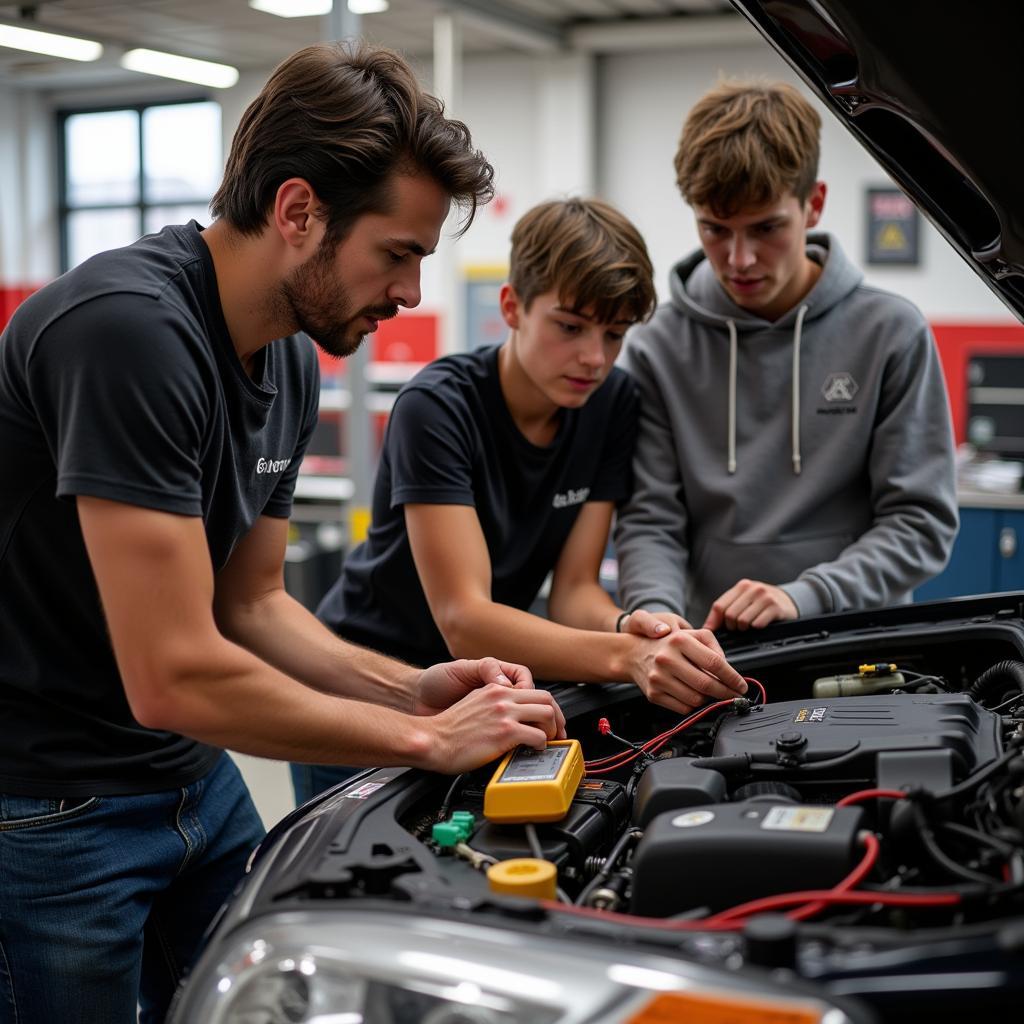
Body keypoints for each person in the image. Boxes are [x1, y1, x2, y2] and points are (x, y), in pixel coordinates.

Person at [0, 42, 566, 1024]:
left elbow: (250, 602)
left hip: (192, 778)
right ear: (299, 211)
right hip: (54, 807)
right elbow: (172, 670)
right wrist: (423, 736)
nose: (410, 297)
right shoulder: (127, 333)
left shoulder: (289, 358)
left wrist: (411, 682)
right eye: (398, 254)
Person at [306, 197, 749, 804]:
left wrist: (632, 625)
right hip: (367, 689)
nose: (594, 357)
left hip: (487, 695)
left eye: (614, 334)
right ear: (512, 307)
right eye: (570, 326)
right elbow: (466, 618)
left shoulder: (612, 404)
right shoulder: (437, 408)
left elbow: (573, 591)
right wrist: (628, 656)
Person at [614, 79, 958, 632]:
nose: (739, 258)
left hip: (860, 647)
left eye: (766, 228)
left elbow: (919, 524)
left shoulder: (891, 333)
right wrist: (656, 619)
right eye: (715, 230)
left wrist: (807, 596)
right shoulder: (658, 346)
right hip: (714, 648)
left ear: (813, 204)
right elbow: (651, 519)